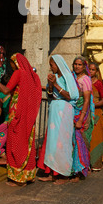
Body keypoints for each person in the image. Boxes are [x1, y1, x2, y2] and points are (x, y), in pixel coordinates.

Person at [0, 53, 42, 187]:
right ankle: (28, 175)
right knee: (27, 142)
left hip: (17, 112)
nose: (11, 66)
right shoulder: (33, 76)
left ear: (16, 62)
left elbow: (6, 90)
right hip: (28, 115)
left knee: (15, 142)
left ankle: (18, 178)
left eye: (12, 63)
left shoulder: (18, 73)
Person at [37, 55, 79, 185]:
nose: (51, 68)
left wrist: (55, 84)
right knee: (51, 142)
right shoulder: (56, 78)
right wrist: (50, 85)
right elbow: (50, 95)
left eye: (52, 65)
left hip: (64, 110)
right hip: (54, 109)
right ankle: (51, 173)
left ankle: (63, 175)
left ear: (58, 64)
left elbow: (70, 95)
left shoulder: (67, 76)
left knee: (61, 142)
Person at [71, 56, 95, 182]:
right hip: (72, 111)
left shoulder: (85, 80)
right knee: (72, 141)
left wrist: (81, 119)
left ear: (83, 66)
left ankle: (80, 170)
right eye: (75, 64)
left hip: (81, 113)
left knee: (80, 142)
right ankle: (73, 169)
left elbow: (86, 100)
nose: (77, 66)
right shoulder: (72, 77)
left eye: (80, 64)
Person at [88, 63, 103, 171]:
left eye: (93, 69)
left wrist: (92, 104)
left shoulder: (99, 83)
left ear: (96, 71)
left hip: (96, 112)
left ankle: (96, 164)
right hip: (86, 112)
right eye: (89, 69)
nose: (91, 71)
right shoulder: (85, 82)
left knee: (96, 138)